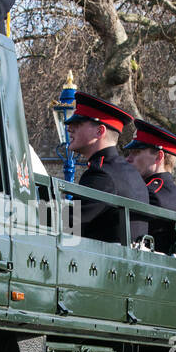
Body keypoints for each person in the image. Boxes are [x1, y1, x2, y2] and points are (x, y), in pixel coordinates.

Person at [63, 93, 150, 244]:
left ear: (99, 132)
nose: (69, 128)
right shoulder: (126, 172)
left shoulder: (102, 174)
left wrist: (29, 212)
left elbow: (70, 224)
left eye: (78, 123)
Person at [123, 118, 176, 254]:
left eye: (136, 152)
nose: (128, 158)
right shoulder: (175, 195)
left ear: (159, 157)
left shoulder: (150, 195)